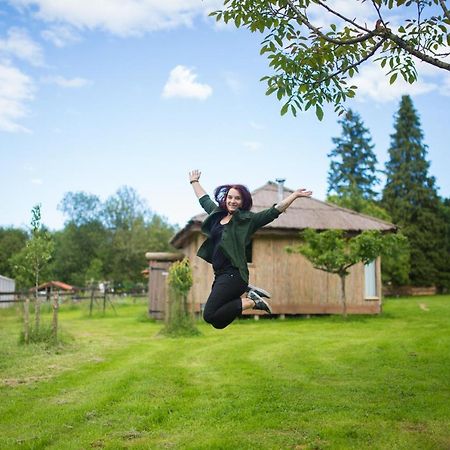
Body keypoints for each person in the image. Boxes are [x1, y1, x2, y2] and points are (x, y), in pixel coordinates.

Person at [189, 170, 312, 329]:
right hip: (220, 274)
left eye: (237, 198)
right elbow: (204, 199)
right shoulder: (217, 215)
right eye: (230, 197)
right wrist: (194, 182)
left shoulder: (248, 220)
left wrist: (294, 195)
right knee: (218, 322)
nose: (233, 201)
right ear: (225, 198)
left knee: (209, 314)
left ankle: (252, 301)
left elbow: (274, 211)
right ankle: (249, 292)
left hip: (233, 274)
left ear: (242, 201)